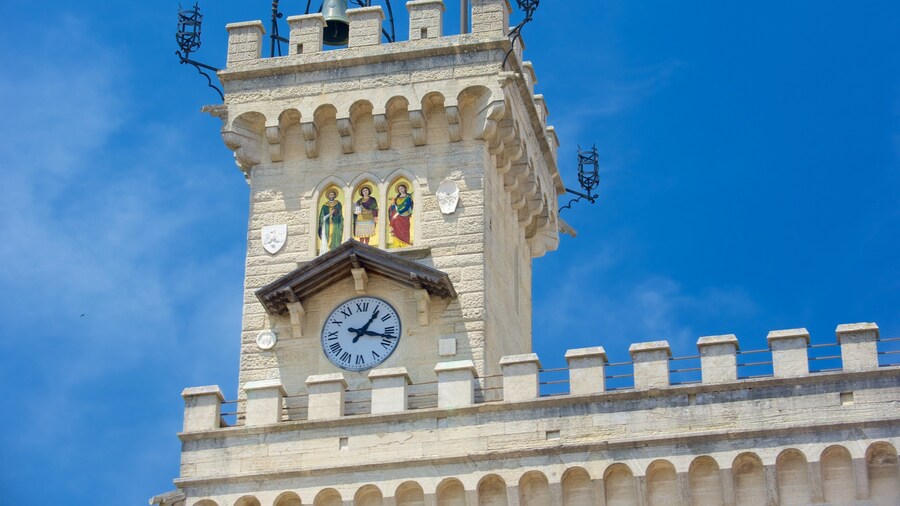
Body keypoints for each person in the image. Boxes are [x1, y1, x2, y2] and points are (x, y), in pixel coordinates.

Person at [318, 190, 343, 254]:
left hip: (335, 223)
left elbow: (340, 213)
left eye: (333, 194)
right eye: (330, 195)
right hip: (327, 224)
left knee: (335, 235)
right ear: (328, 196)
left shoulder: (338, 203)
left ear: (335, 195)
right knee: (328, 235)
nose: (331, 196)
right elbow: (322, 216)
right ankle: (328, 250)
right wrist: (330, 213)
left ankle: (335, 249)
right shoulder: (325, 205)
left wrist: (335, 213)